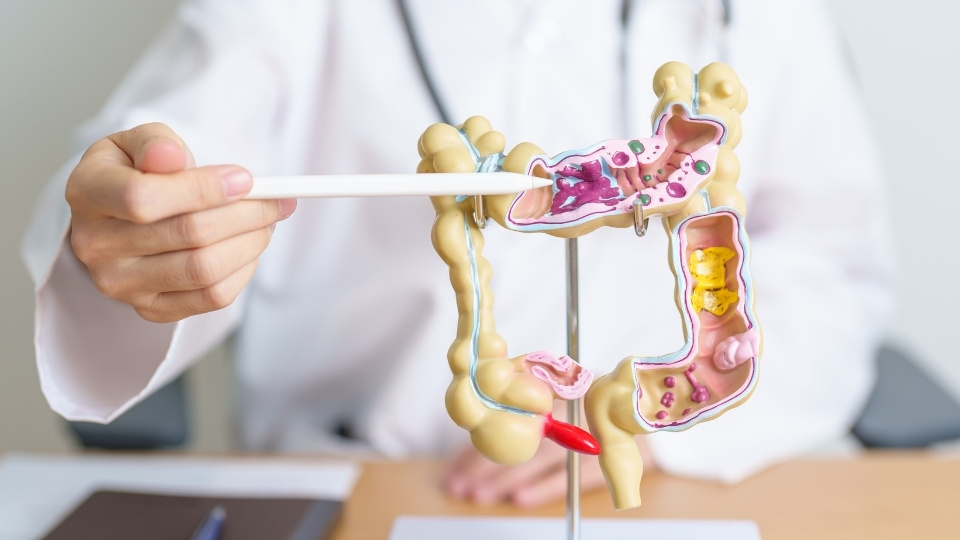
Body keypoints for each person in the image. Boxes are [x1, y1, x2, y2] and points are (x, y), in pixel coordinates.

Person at [22, 0, 894, 507]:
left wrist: (663, 424)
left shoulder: (760, 18)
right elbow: (163, 156)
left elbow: (833, 266)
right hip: (375, 482)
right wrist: (137, 229)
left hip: (680, 494)